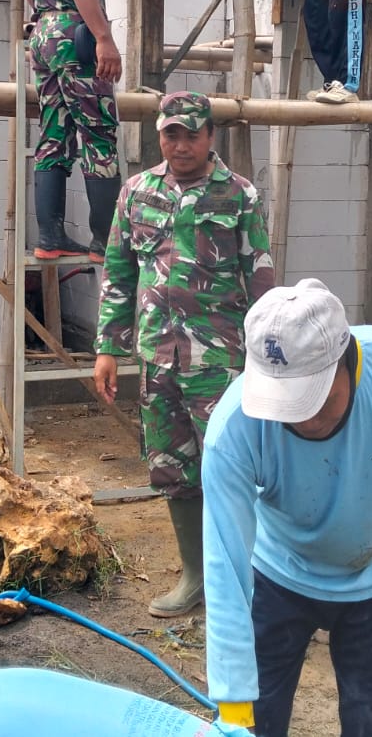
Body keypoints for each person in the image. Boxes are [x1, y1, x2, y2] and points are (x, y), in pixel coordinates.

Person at [201, 279, 372, 737]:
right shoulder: (234, 431)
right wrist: (235, 713)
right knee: (253, 723)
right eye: (285, 405)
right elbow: (225, 574)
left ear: (348, 361)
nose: (302, 419)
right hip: (278, 573)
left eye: (315, 400)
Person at [94, 91, 275, 618]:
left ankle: (254, 587)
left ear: (210, 137)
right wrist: (109, 348)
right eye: (171, 134)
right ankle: (196, 578)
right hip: (157, 360)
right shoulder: (136, 192)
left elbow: (260, 277)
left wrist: (269, 357)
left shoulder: (238, 195)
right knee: (173, 469)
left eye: (191, 134)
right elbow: (120, 272)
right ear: (159, 136)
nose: (180, 144)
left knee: (236, 470)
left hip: (220, 364)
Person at [24, 0, 129, 261]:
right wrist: (103, 37)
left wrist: (42, 23)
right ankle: (108, 242)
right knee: (99, 134)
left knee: (53, 135)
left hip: (44, 33)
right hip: (75, 33)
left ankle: (50, 238)